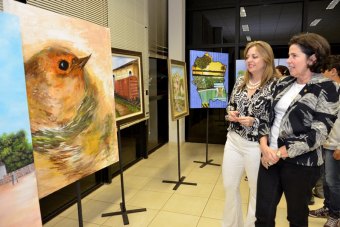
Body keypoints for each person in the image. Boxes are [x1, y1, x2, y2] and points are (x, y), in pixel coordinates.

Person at [255, 33, 340, 227]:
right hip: (269, 159)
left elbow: (318, 134)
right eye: (289, 55)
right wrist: (265, 147)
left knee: (296, 217)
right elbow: (264, 117)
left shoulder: (328, 88)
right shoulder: (282, 83)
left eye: (294, 56)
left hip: (301, 165)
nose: (288, 61)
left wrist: (278, 152)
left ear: (312, 58)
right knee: (263, 215)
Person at [223, 41, 280, 227]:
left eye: (254, 56)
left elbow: (277, 119)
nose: (249, 60)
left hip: (256, 146)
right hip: (233, 140)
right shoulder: (241, 81)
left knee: (256, 191)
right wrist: (231, 113)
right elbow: (231, 104)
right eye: (247, 56)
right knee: (230, 187)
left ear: (266, 58)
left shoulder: (276, 85)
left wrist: (254, 122)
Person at [309, 55, 340, 227]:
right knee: (327, 182)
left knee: (333, 182)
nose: (321, 74)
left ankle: (336, 214)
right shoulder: (330, 91)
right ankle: (328, 208)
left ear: (333, 71)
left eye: (324, 71)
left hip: (336, 145)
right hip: (324, 144)